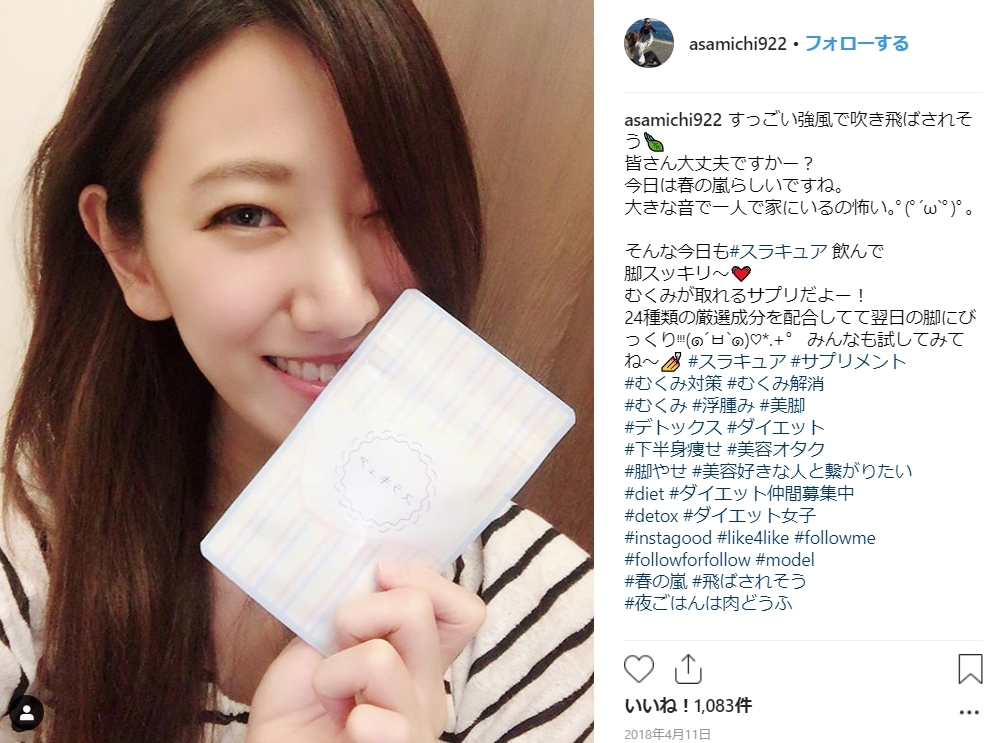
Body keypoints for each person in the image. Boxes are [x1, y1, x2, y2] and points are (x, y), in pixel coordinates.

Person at [0, 1, 593, 741]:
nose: (343, 305)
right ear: (132, 253)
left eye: (387, 207)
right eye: (248, 214)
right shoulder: (31, 549)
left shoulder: (559, 629)